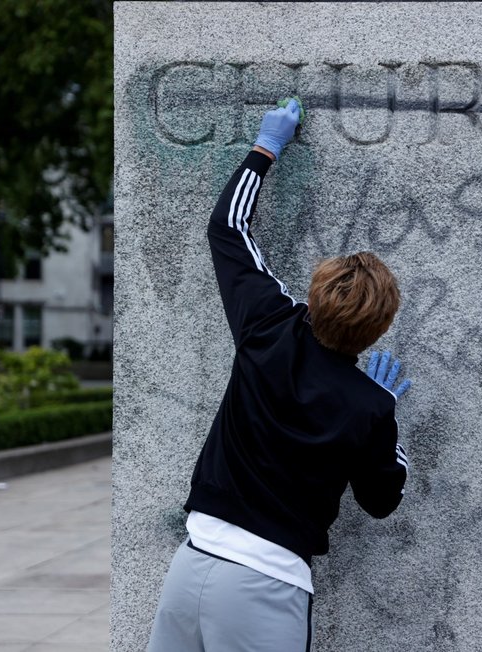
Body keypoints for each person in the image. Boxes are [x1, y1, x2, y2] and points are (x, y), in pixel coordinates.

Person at [147, 98, 411, 652]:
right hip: (265, 587)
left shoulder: (268, 326)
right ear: (378, 329)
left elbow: (227, 227)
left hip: (191, 563)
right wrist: (387, 420)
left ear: (314, 298)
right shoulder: (369, 408)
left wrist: (268, 146)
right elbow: (382, 496)